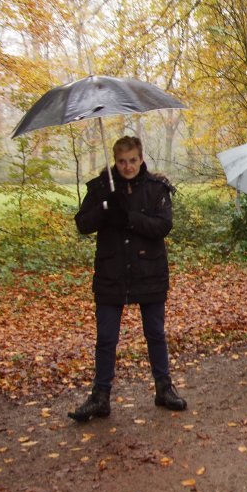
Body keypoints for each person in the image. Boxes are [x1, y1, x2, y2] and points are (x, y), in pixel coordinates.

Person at [69, 136, 187, 422]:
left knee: (155, 334)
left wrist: (130, 217)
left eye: (132, 160)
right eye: (122, 161)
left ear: (140, 157)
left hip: (149, 271)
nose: (127, 166)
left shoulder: (156, 188)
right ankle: (100, 396)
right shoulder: (100, 188)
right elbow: (83, 224)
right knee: (106, 338)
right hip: (112, 273)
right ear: (115, 160)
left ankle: (163, 388)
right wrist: (105, 208)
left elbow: (163, 226)